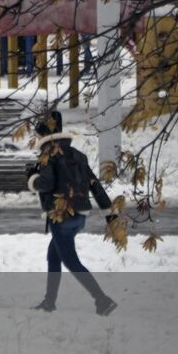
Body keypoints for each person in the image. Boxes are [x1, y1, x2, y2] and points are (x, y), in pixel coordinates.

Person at [27, 110, 118, 316]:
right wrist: (109, 213)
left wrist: (32, 178)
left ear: (42, 134)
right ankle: (49, 302)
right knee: (54, 255)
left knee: (70, 260)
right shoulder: (79, 155)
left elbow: (47, 183)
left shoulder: (48, 155)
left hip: (61, 216)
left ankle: (102, 300)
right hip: (79, 217)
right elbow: (94, 185)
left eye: (38, 134)